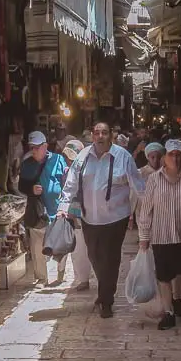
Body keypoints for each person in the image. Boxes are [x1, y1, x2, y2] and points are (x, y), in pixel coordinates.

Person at [58, 121, 146, 318]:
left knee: (111, 258)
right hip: (90, 218)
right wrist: (63, 208)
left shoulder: (122, 157)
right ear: (91, 135)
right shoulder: (83, 157)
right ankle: (104, 290)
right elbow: (71, 183)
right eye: (96, 133)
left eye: (104, 133)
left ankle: (106, 299)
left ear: (111, 136)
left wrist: (149, 211)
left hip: (116, 218)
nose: (100, 136)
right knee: (94, 256)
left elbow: (139, 187)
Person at [136, 139, 181, 330]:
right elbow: (146, 209)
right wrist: (144, 236)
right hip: (161, 234)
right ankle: (169, 313)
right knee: (164, 276)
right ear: (165, 157)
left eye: (178, 155)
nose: (175, 158)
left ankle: (177, 297)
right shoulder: (154, 179)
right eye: (172, 154)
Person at [19, 131, 68, 286]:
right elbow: (21, 185)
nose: (33, 150)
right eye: (31, 147)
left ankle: (61, 272)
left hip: (57, 210)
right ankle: (41, 277)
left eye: (37, 147)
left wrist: (65, 204)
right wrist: (31, 189)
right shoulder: (27, 163)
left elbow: (67, 182)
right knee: (37, 244)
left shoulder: (58, 160)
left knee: (61, 243)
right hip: (38, 211)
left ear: (45, 146)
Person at [61, 139, 92, 292]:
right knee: (79, 249)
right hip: (74, 215)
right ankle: (83, 278)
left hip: (91, 213)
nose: (69, 160)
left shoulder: (89, 169)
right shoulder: (67, 172)